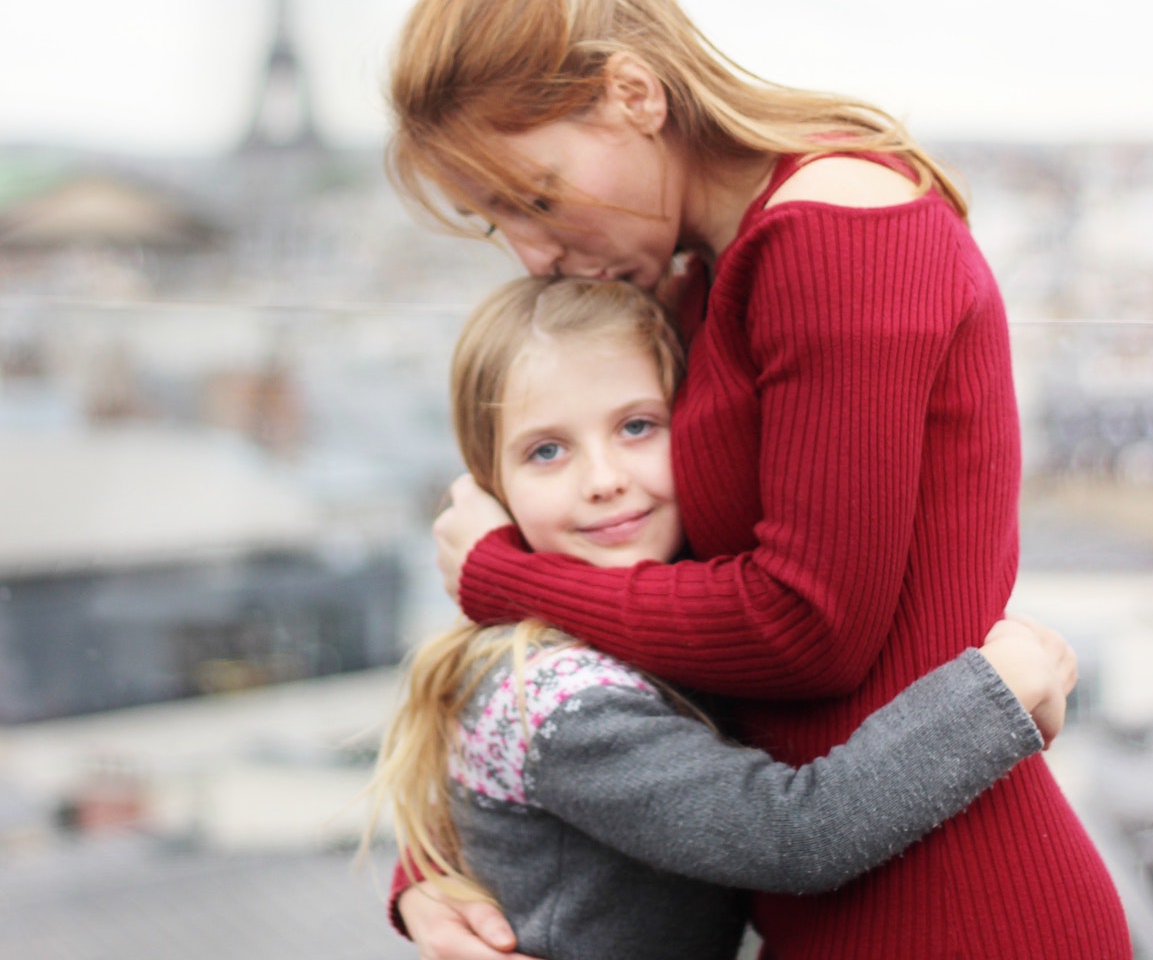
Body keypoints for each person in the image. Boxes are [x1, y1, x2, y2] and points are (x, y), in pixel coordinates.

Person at [385, 0, 1132, 960]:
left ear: (633, 95)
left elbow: (805, 626)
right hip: (821, 903)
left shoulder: (836, 233)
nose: (533, 253)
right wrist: (448, 870)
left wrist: (501, 575)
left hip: (961, 911)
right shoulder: (699, 281)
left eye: (538, 197)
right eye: (494, 220)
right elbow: (644, 630)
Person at [367, 274, 1070, 960]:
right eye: (546, 451)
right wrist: (994, 692)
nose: (603, 479)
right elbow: (792, 837)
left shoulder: (657, 614)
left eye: (637, 426)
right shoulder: (558, 698)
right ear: (492, 485)